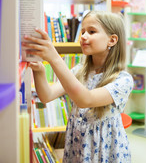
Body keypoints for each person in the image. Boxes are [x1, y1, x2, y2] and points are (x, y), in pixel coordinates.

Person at [23, 10, 133, 163]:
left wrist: (54, 57)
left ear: (112, 40)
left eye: (91, 31)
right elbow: (46, 96)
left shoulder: (123, 80)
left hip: (104, 151)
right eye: (82, 31)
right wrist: (39, 70)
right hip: (78, 147)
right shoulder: (79, 71)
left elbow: (85, 99)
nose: (83, 36)